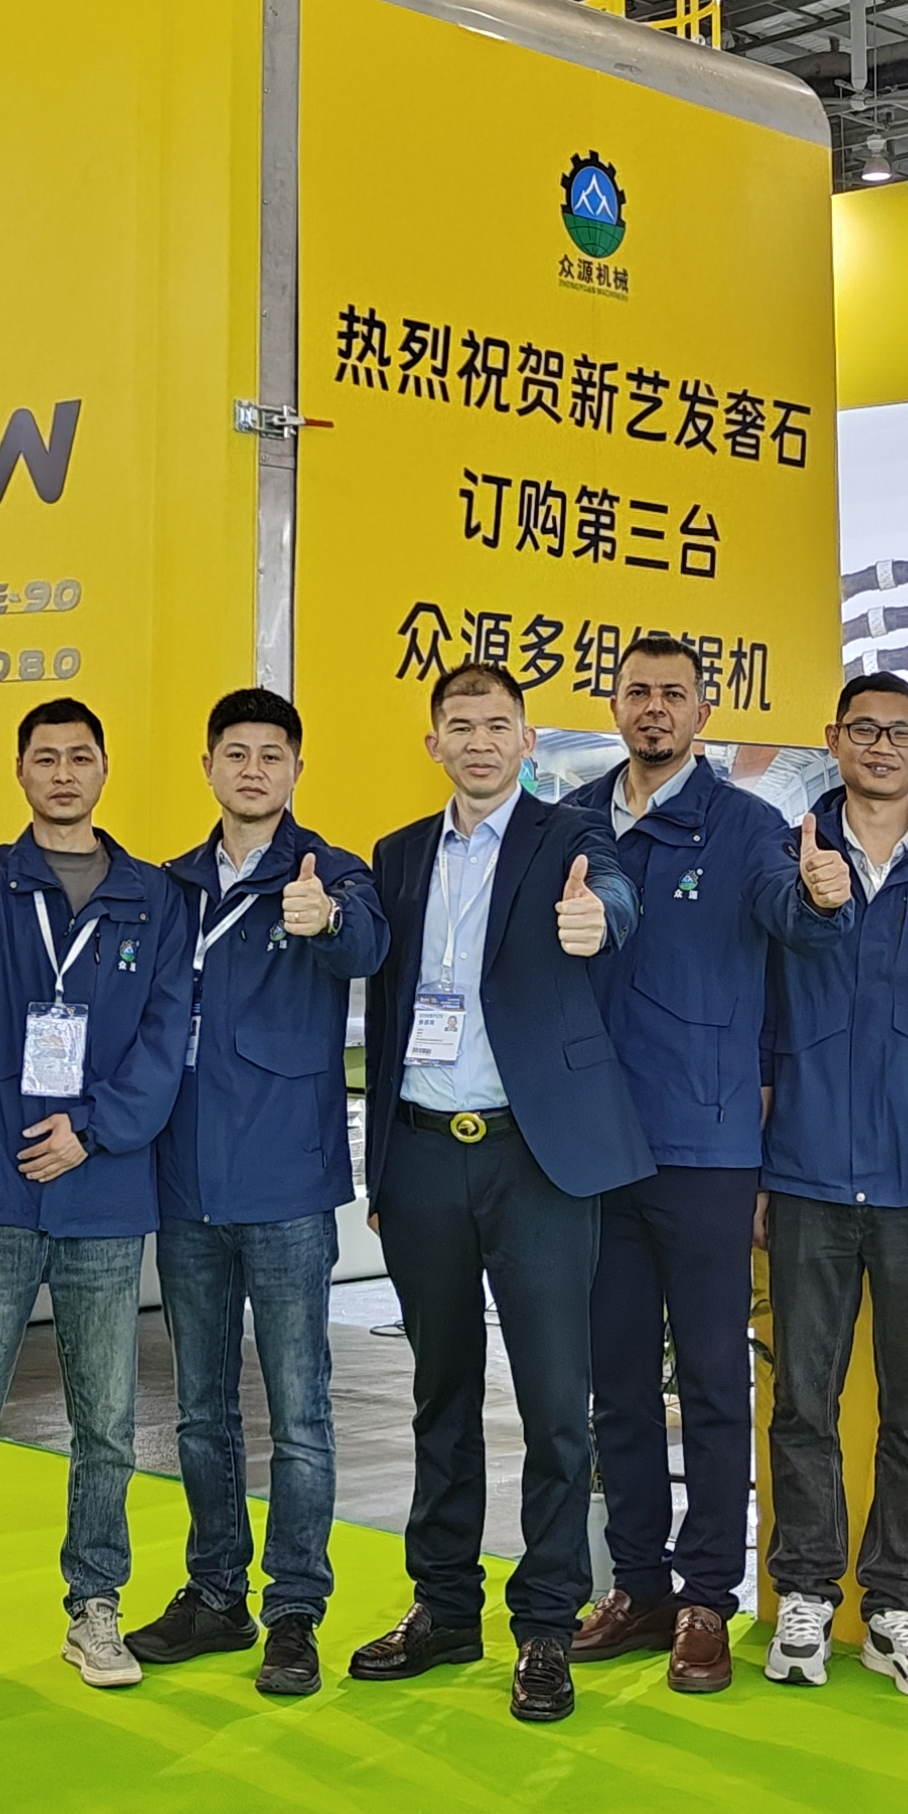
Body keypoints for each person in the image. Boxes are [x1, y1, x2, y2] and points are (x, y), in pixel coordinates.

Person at [349, 661, 641, 1724]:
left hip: (537, 1159)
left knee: (557, 1404)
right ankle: (442, 1608)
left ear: (527, 741)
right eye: (459, 725)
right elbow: (388, 1004)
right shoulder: (396, 856)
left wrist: (598, 918)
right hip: (425, 1152)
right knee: (440, 1395)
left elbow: (616, 895)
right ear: (433, 742)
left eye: (497, 725)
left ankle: (547, 1623)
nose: (478, 742)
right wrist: (384, 1169)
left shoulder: (572, 837)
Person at [0, 700, 193, 1696]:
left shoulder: (153, 898)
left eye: (79, 757)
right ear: (20, 772)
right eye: (45, 758)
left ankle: (95, 1606)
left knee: (106, 1419)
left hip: (101, 1187)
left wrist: (91, 1131)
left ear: (103, 770)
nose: (63, 773)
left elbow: (164, 1040)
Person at [577, 634, 842, 1694]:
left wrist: (820, 897)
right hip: (592, 1149)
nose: (654, 708)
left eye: (673, 695)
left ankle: (705, 1598)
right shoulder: (572, 822)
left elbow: (790, 921)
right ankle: (637, 1586)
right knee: (616, 1384)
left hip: (707, 1147)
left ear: (702, 711)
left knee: (715, 1382)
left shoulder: (748, 827)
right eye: (637, 691)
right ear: (613, 703)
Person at [124, 687, 386, 1697]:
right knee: (199, 1410)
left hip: (285, 1185)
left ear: (296, 770)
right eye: (234, 753)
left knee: (300, 1410)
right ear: (207, 766)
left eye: (271, 755)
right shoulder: (171, 886)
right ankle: (215, 1593)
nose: (252, 770)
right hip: (186, 1182)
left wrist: (326, 922)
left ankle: (294, 1612)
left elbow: (367, 946)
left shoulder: (331, 872)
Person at [741, 675, 908, 1696]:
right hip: (808, 1174)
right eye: (864, 729)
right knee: (805, 1398)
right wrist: (815, 899)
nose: (882, 745)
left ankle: (896, 1604)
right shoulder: (783, 854)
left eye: (900, 732)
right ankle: (804, 1590)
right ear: (833, 739)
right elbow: (755, 1005)